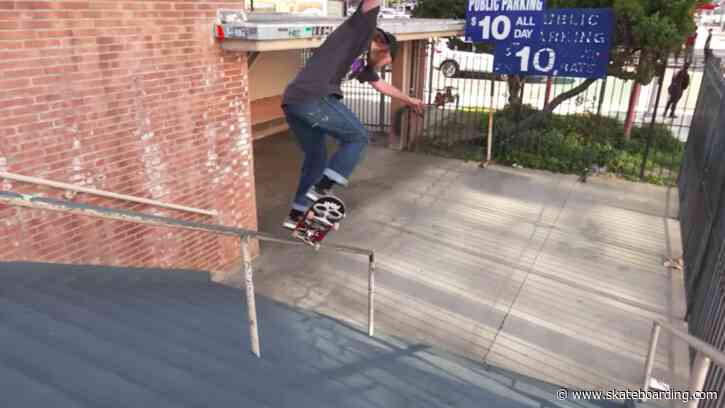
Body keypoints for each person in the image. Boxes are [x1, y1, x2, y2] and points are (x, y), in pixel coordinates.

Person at [280, 0, 424, 230]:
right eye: (387, 62)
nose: (381, 67)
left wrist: (410, 100)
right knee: (358, 137)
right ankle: (322, 188)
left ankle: (297, 213)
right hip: (313, 98)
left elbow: (381, 86)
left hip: (293, 103)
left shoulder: (358, 63)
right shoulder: (362, 29)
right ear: (383, 47)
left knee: (316, 158)